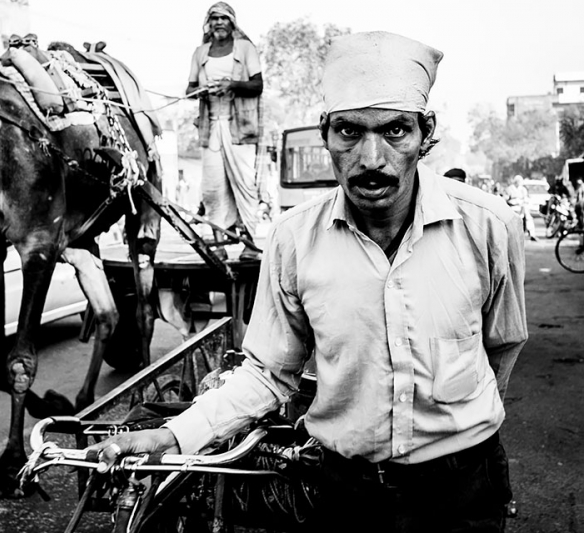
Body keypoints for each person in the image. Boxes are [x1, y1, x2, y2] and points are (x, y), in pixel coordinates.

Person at [90, 31, 528, 532]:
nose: (371, 158)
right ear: (325, 135)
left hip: (464, 492)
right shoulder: (294, 239)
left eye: (395, 132)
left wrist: (460, 430)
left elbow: (503, 344)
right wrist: (172, 437)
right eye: (349, 132)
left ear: (425, 134)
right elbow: (267, 373)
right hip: (345, 492)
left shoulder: (488, 225)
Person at [187, 2, 263, 259]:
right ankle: (218, 246)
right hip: (210, 128)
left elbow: (257, 85)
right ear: (209, 24)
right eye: (214, 18)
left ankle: (250, 245)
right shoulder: (200, 53)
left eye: (223, 18)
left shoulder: (245, 48)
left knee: (244, 184)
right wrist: (203, 90)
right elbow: (189, 90)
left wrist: (231, 85)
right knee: (212, 187)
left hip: (239, 127)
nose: (219, 22)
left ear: (232, 22)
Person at [506, 175, 538, 241]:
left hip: (522, 207)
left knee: (528, 217)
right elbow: (506, 199)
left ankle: (532, 234)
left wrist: (523, 202)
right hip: (512, 207)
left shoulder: (523, 189)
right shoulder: (509, 189)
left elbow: (526, 199)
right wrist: (513, 201)